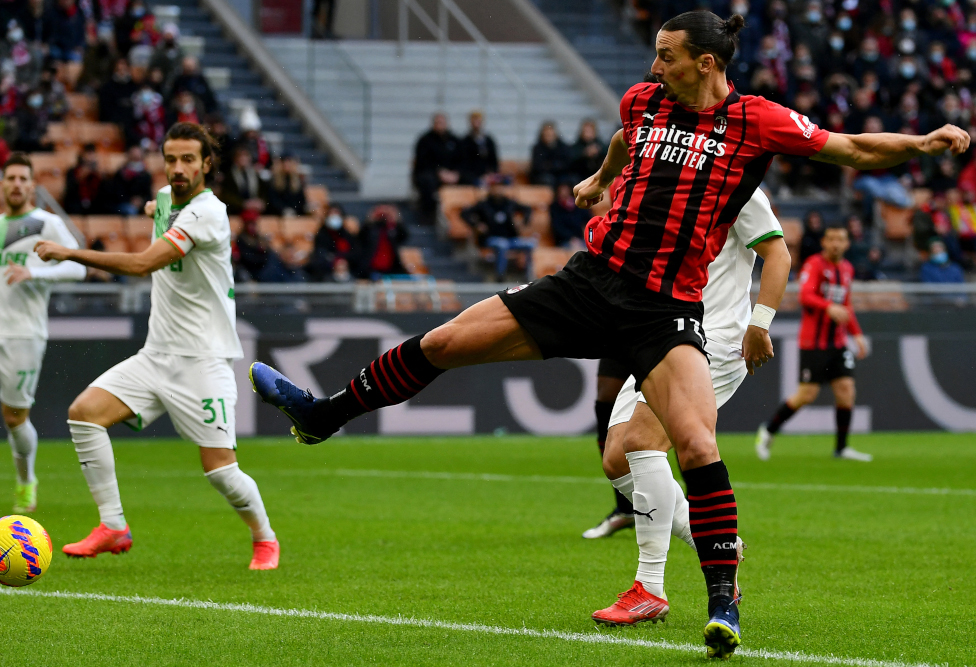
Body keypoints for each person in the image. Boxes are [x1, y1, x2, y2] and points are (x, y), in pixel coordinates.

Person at [246, 11, 969, 657]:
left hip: (664, 309)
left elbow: (853, 148)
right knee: (443, 343)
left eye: (667, 55)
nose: (655, 66)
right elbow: (628, 138)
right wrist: (599, 179)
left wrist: (923, 144)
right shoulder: (643, 100)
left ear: (706, 63)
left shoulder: (757, 121)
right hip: (589, 281)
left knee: (697, 445)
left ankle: (722, 603)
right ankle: (323, 415)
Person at [34, 122, 280, 570]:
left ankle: (265, 538)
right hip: (156, 355)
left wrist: (71, 253)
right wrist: (155, 209)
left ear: (207, 163)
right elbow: (162, 206)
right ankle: (113, 526)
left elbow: (144, 263)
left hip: (203, 361)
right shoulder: (167, 198)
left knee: (222, 472)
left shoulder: (209, 213)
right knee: (84, 414)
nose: (178, 168)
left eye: (188, 159)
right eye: (171, 159)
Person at [591, 187, 791, 624]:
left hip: (713, 338)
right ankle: (719, 545)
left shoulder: (738, 186)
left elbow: (778, 255)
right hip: (660, 333)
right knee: (616, 459)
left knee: (643, 441)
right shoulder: (670, 178)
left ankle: (650, 588)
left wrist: (760, 323)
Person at [0, 153, 86, 515]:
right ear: (2, 184)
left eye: (23, 179)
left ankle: (26, 481)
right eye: (11, 178)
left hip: (24, 335)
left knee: (14, 418)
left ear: (33, 186)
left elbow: (79, 268)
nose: (17, 184)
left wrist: (35, 273)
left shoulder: (48, 224)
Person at [756, 225, 872, 462]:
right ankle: (768, 429)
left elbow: (846, 305)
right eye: (831, 239)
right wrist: (828, 307)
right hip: (813, 343)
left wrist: (857, 334)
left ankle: (841, 448)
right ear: (824, 243)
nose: (836, 244)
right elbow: (805, 295)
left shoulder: (847, 269)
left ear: (847, 244)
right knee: (806, 395)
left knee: (846, 391)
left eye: (840, 239)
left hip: (837, 342)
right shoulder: (814, 265)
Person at [582, 358, 635, 539]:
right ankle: (627, 509)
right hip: (621, 339)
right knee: (607, 395)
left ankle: (694, 503)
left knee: (676, 401)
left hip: (667, 340)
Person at [460, 175, 536, 281]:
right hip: (490, 238)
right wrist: (476, 225)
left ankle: (528, 276)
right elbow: (465, 213)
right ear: (490, 188)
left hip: (510, 238)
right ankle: (500, 276)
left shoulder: (509, 203)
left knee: (530, 244)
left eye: (501, 186)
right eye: (495, 186)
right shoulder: (484, 204)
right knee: (501, 244)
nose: (498, 189)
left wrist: (523, 222)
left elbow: (527, 209)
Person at [412, 113, 460, 224]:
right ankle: (428, 215)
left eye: (442, 123)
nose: (440, 125)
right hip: (432, 173)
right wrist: (439, 172)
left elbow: (461, 159)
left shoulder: (454, 140)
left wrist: (456, 173)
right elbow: (422, 162)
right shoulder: (425, 140)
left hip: (451, 174)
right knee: (427, 181)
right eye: (437, 123)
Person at [360, 204, 408, 277]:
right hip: (372, 266)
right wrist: (371, 218)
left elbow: (404, 236)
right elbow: (361, 236)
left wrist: (395, 219)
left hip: (391, 266)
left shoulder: (392, 228)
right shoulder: (371, 228)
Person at [109, 145, 153, 216]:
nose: (136, 162)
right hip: (124, 204)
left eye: (138, 159)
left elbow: (148, 194)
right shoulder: (121, 174)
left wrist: (141, 201)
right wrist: (131, 200)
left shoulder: (146, 175)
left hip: (141, 205)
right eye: (134, 158)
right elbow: (117, 194)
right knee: (131, 210)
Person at [458, 110, 499, 185]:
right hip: (472, 177)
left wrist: (490, 174)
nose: (476, 123)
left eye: (478, 120)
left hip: (487, 176)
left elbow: (494, 161)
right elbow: (464, 164)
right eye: (474, 120)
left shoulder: (488, 140)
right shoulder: (465, 141)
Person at [549, 181, 591, 248]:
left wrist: (589, 238)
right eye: (562, 190)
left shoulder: (578, 205)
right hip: (564, 241)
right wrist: (571, 238)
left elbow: (590, 221)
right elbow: (557, 227)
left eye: (566, 189)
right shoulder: (555, 207)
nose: (564, 192)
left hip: (580, 240)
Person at [63, 145, 104, 215]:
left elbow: (103, 191)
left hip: (94, 203)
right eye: (88, 153)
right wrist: (80, 178)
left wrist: (101, 177)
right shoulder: (73, 171)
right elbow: (69, 190)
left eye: (92, 154)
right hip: (76, 202)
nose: (90, 157)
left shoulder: (97, 172)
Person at [529, 121, 568, 187]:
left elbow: (566, 164)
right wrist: (554, 166)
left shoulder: (563, 147)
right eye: (546, 134)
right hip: (543, 177)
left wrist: (550, 165)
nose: (548, 137)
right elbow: (537, 167)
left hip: (560, 175)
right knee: (548, 180)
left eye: (550, 134)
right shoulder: (537, 148)